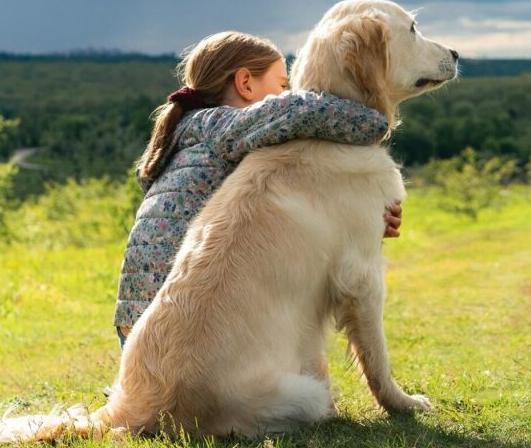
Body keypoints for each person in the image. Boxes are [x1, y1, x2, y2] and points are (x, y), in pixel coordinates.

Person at [114, 30, 401, 346]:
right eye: (282, 85)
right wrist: (376, 118)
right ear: (245, 84)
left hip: (134, 328)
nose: (286, 94)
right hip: (181, 325)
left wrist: (364, 221)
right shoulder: (222, 126)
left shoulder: (187, 137)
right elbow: (302, 111)